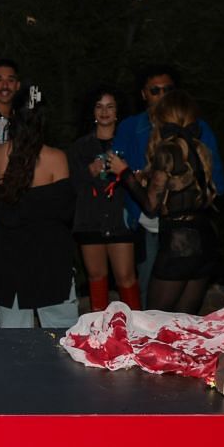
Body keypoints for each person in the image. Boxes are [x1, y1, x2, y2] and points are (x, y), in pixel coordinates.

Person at [0, 90, 79, 326]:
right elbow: (65, 211)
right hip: (49, 259)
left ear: (13, 116)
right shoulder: (57, 158)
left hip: (7, 256)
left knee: (13, 339)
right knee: (61, 334)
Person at [114, 64, 224, 277]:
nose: (162, 95)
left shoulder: (198, 129)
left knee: (170, 305)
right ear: (143, 94)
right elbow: (115, 166)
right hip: (146, 225)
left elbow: (216, 181)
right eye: (155, 90)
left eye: (168, 90)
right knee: (152, 293)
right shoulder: (130, 127)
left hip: (188, 229)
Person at [132, 90, 218, 313]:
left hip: (178, 243)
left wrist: (124, 176)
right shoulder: (199, 148)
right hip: (205, 240)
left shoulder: (168, 150)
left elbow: (151, 205)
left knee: (154, 322)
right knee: (185, 324)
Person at [66, 85, 139, 310]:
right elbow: (70, 187)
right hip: (90, 219)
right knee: (96, 277)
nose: (104, 111)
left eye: (110, 106)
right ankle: (99, 334)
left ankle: (137, 332)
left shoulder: (129, 142)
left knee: (125, 277)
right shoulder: (80, 147)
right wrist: (89, 171)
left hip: (120, 220)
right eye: (99, 106)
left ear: (118, 112)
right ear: (92, 111)